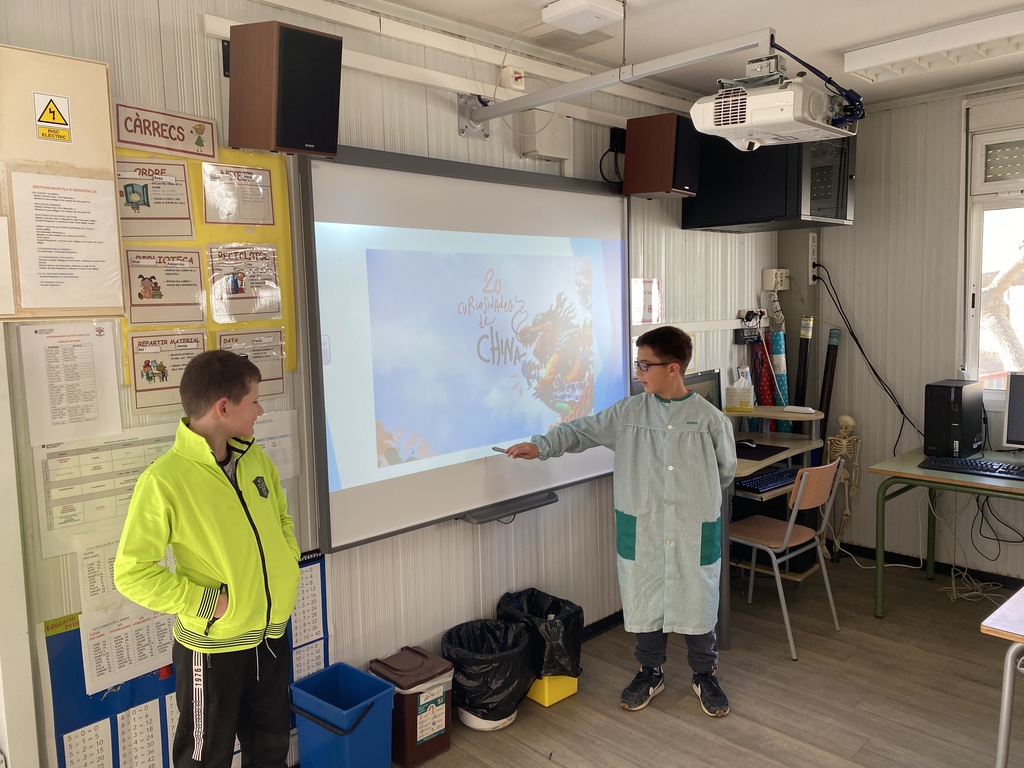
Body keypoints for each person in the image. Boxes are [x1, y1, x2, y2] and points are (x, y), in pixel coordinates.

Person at [503, 326, 736, 716]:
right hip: (644, 528)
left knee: (698, 600)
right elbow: (582, 430)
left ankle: (704, 674)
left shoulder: (710, 420)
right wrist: (541, 446)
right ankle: (650, 672)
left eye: (645, 365)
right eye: (637, 364)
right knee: (645, 598)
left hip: (692, 529)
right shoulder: (629, 413)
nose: (638, 372)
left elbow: (725, 471)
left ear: (673, 368)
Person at [114, 350, 300, 768]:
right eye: (254, 401)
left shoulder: (255, 458)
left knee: (271, 750)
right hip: (213, 650)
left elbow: (281, 519)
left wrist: (287, 562)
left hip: (270, 636)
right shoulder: (164, 480)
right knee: (205, 760)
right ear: (223, 408)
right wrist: (207, 603)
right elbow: (132, 574)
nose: (260, 410)